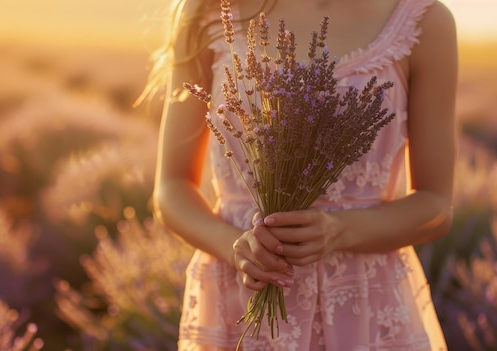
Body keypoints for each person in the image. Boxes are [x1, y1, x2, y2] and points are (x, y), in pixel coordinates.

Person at [144, 0, 457, 349]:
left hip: (364, 307)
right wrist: (236, 250)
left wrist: (339, 232)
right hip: (239, 294)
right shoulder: (207, 11)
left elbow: (436, 206)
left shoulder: (424, 21)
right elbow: (171, 188)